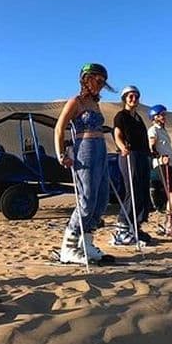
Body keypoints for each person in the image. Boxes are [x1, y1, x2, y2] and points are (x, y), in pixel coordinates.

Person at [54, 63, 114, 264]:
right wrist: (61, 154)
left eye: (103, 82)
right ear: (86, 79)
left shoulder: (95, 104)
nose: (101, 84)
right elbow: (59, 128)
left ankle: (86, 243)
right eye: (98, 80)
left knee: (102, 197)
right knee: (87, 198)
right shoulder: (76, 102)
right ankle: (69, 246)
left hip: (100, 148)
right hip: (85, 149)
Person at [112, 85, 153, 246]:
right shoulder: (121, 116)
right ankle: (122, 226)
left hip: (142, 155)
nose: (134, 99)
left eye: (136, 96)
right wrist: (122, 147)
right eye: (130, 96)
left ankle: (135, 225)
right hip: (129, 155)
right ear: (125, 99)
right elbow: (117, 134)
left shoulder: (138, 118)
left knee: (143, 190)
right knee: (133, 190)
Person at [147, 104, 172, 237]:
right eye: (161, 115)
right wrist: (158, 156)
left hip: (171, 164)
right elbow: (152, 146)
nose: (164, 117)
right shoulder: (153, 130)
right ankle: (169, 223)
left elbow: (167, 148)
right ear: (154, 117)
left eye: (164, 114)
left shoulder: (163, 131)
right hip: (162, 164)